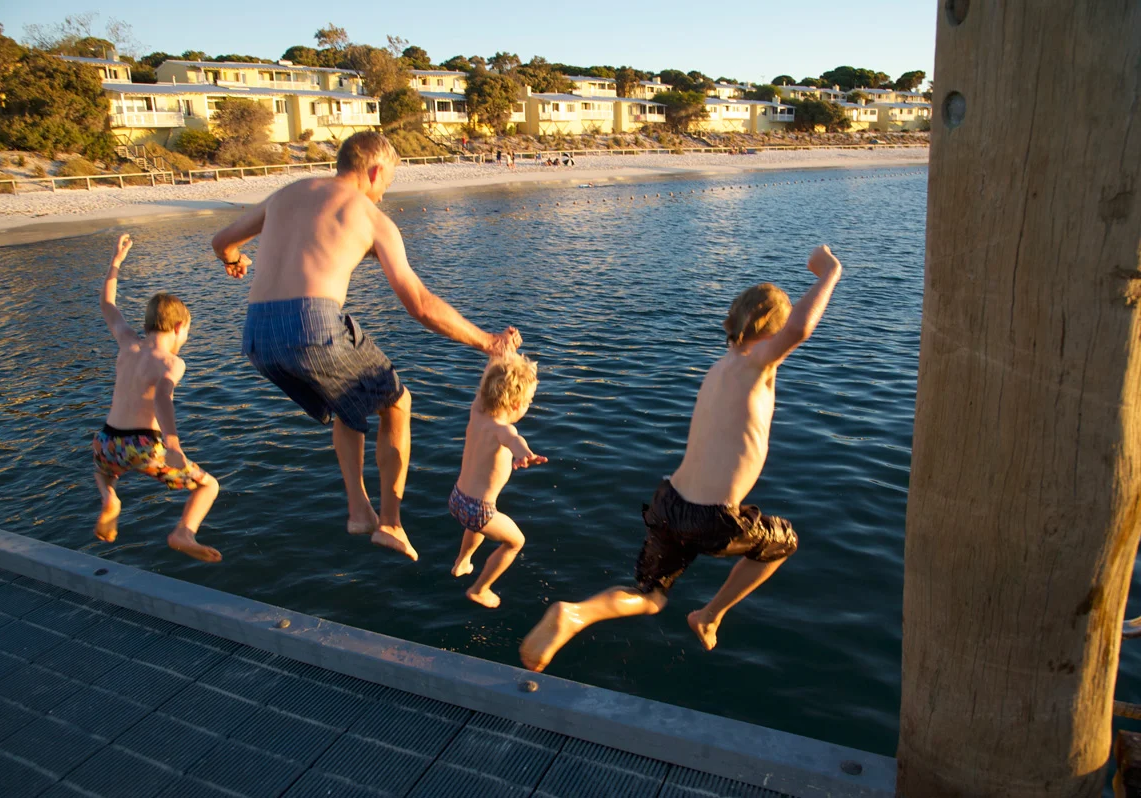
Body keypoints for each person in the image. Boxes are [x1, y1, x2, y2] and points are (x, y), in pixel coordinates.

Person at [520, 245, 844, 672]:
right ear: (770, 335)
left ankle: (575, 615)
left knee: (650, 598)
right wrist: (829, 274)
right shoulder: (757, 367)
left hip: (668, 503)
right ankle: (710, 615)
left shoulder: (720, 368)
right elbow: (800, 328)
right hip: (710, 517)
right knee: (783, 543)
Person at [211, 132, 520, 562]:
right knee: (396, 402)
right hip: (311, 324)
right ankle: (389, 522)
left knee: (349, 398)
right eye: (385, 183)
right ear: (375, 171)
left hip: (257, 337)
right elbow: (420, 304)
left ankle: (359, 510)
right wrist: (488, 342)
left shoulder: (285, 195)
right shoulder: (372, 218)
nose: (383, 192)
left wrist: (234, 260)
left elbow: (221, 242)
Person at [91, 233, 222, 563]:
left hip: (108, 441)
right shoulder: (172, 362)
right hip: (145, 446)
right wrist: (174, 446)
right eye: (188, 331)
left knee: (104, 471)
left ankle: (110, 497)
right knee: (209, 486)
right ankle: (184, 532)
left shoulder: (127, 342)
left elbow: (107, 304)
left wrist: (116, 262)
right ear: (179, 327)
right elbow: (163, 398)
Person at [450, 356, 546, 608]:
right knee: (515, 542)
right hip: (480, 510)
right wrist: (525, 454)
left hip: (457, 498)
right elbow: (515, 442)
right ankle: (480, 589)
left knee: (475, 527)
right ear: (515, 404)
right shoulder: (503, 430)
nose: (528, 406)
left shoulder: (477, 410)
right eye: (528, 402)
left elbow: (487, 380)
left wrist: (499, 357)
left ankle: (463, 560)